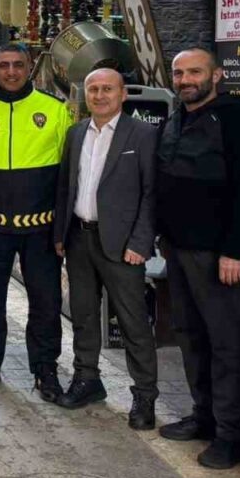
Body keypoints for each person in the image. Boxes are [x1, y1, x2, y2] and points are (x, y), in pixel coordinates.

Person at [156, 48, 240, 468]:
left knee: (226, 343)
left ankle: (231, 436)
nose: (185, 79)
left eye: (194, 72)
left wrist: (236, 250)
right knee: (190, 336)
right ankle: (204, 417)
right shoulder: (178, 116)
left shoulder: (235, 118)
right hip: (179, 251)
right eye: (179, 72)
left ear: (216, 75)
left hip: (219, 256)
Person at [0, 43, 71, 399]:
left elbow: (69, 174)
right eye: (4, 66)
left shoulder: (55, 110)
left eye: (18, 65)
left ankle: (45, 371)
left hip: (40, 229)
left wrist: (62, 228)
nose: (11, 72)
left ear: (30, 69)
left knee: (46, 303)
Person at [52, 68, 159, 429]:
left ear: (122, 94)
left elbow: (151, 194)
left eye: (107, 89)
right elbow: (66, 187)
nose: (99, 95)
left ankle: (144, 396)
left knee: (132, 323)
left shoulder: (142, 134)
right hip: (80, 239)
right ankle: (87, 379)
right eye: (93, 89)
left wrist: (141, 244)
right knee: (82, 314)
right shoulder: (76, 133)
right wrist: (60, 235)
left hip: (123, 245)